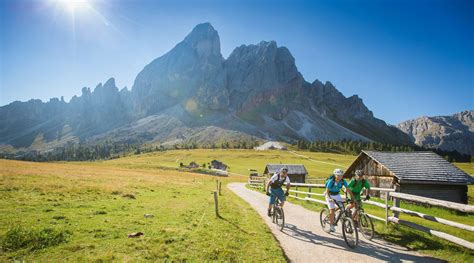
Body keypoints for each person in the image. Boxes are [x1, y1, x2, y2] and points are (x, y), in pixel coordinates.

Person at [324, 168, 353, 232]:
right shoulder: (331, 181)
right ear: (335, 175)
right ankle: (331, 226)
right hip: (329, 194)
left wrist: (352, 198)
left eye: (341, 175)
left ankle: (345, 223)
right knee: (332, 210)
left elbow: (348, 189)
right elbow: (327, 191)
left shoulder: (343, 181)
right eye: (338, 175)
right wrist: (330, 198)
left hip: (337, 195)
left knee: (343, 209)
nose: (340, 176)